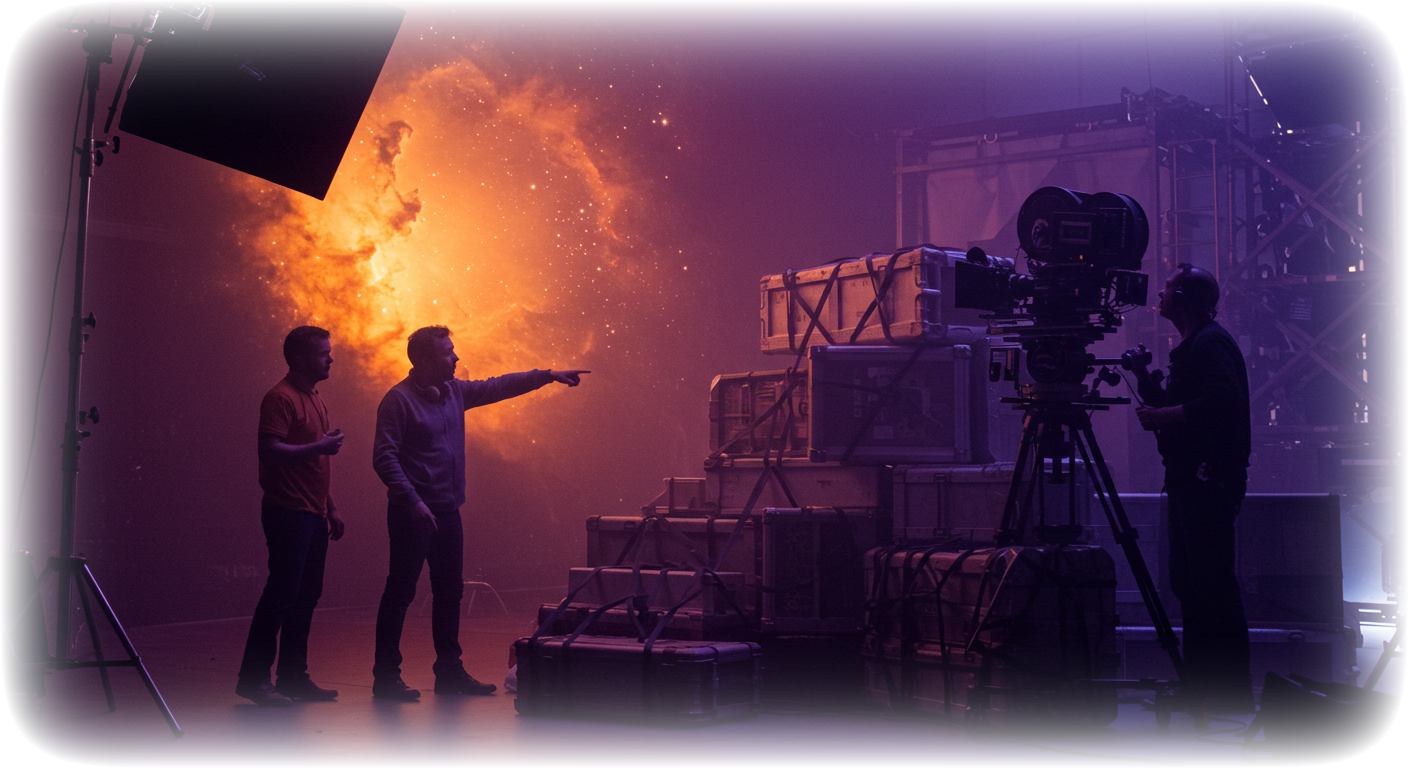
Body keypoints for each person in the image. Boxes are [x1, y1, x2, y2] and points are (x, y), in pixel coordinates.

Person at [370, 325, 588, 700]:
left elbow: (498, 385)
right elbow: (383, 458)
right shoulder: (398, 401)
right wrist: (413, 501)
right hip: (413, 514)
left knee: (449, 592)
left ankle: (449, 672)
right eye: (447, 352)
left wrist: (547, 376)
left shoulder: (454, 391)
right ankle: (386, 675)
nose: (456, 357)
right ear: (423, 359)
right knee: (401, 592)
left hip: (447, 511)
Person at [1130, 264, 1255, 715]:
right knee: (1190, 583)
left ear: (1182, 297)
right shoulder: (1197, 345)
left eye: (1165, 290)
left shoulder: (1210, 344)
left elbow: (1221, 403)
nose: (1159, 296)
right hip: (1191, 476)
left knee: (1212, 584)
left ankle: (1231, 688)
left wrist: (1164, 416)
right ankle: (1201, 684)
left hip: (1208, 477)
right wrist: (1146, 380)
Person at [236, 326, 347, 706]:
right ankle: (254, 679)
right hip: (288, 512)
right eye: (323, 353)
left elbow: (311, 464)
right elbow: (269, 451)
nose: (330, 358)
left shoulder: (314, 398)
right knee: (282, 595)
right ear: (300, 358)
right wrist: (319, 445)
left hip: (311, 515)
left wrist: (330, 508)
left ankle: (292, 677)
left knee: (304, 596)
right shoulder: (280, 399)